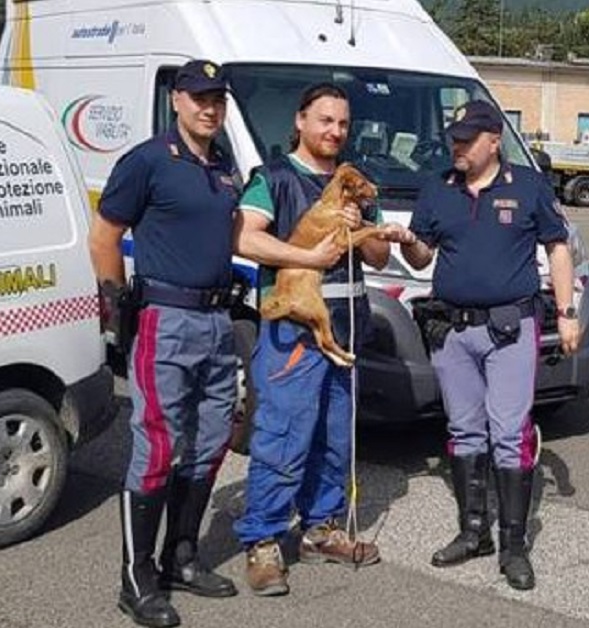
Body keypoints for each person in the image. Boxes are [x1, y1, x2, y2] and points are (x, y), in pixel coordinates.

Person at [231, 83, 413, 596]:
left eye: (342, 124)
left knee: (335, 439)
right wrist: (309, 258)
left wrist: (365, 226)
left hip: (346, 327)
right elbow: (245, 237)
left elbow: (378, 259)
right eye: (324, 120)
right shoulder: (274, 178)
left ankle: (321, 529)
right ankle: (263, 541)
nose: (334, 131)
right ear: (300, 121)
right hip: (294, 332)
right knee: (284, 437)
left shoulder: (354, 183)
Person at [397, 100, 580, 591]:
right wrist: (406, 240)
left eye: (466, 139)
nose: (456, 147)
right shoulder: (438, 187)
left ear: (494, 140)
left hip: (510, 331)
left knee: (508, 431)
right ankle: (472, 531)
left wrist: (566, 314)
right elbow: (420, 259)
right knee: (463, 431)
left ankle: (513, 546)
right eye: (453, 138)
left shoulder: (527, 186)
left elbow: (557, 247)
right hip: (453, 333)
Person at [89, 60, 243, 628]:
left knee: (210, 442)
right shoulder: (148, 160)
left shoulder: (223, 167)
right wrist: (116, 310)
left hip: (216, 321)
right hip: (165, 320)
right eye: (199, 97)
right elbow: (104, 236)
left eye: (218, 99)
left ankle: (182, 557)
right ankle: (138, 578)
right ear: (177, 99)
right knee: (157, 445)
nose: (210, 107)